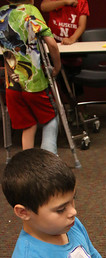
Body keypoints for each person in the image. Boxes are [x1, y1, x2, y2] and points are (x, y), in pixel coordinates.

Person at [0, 0, 61, 153]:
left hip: (12, 86)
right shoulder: (30, 10)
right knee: (51, 118)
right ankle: (48, 162)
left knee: (28, 125)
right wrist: (57, 66)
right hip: (34, 83)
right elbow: (52, 44)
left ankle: (28, 169)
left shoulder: (2, 12)